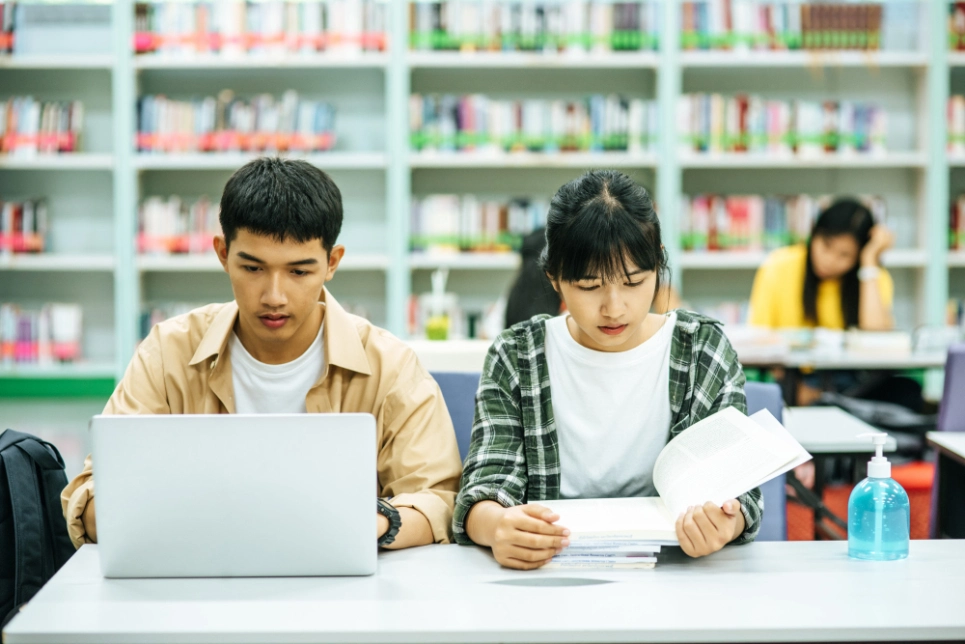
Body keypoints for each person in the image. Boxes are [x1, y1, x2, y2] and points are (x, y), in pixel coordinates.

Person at [61, 158, 462, 550]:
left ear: (332, 262)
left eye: (299, 272)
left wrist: (361, 526)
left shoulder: (389, 366)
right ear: (222, 254)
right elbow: (92, 498)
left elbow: (436, 500)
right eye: (253, 269)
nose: (274, 296)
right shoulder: (169, 352)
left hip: (340, 587)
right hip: (194, 582)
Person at [453, 170, 763, 570]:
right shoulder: (518, 354)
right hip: (546, 574)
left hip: (677, 576)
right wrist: (498, 527)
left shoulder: (701, 348)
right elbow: (485, 485)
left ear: (659, 265)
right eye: (588, 286)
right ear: (555, 279)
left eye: (634, 282)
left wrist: (725, 521)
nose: (614, 308)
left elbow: (740, 492)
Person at [749, 199, 895, 331]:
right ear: (814, 234)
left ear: (858, 257)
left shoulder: (872, 276)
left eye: (844, 255)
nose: (829, 260)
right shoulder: (779, 266)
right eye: (826, 245)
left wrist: (869, 259)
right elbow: (759, 336)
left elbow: (877, 337)